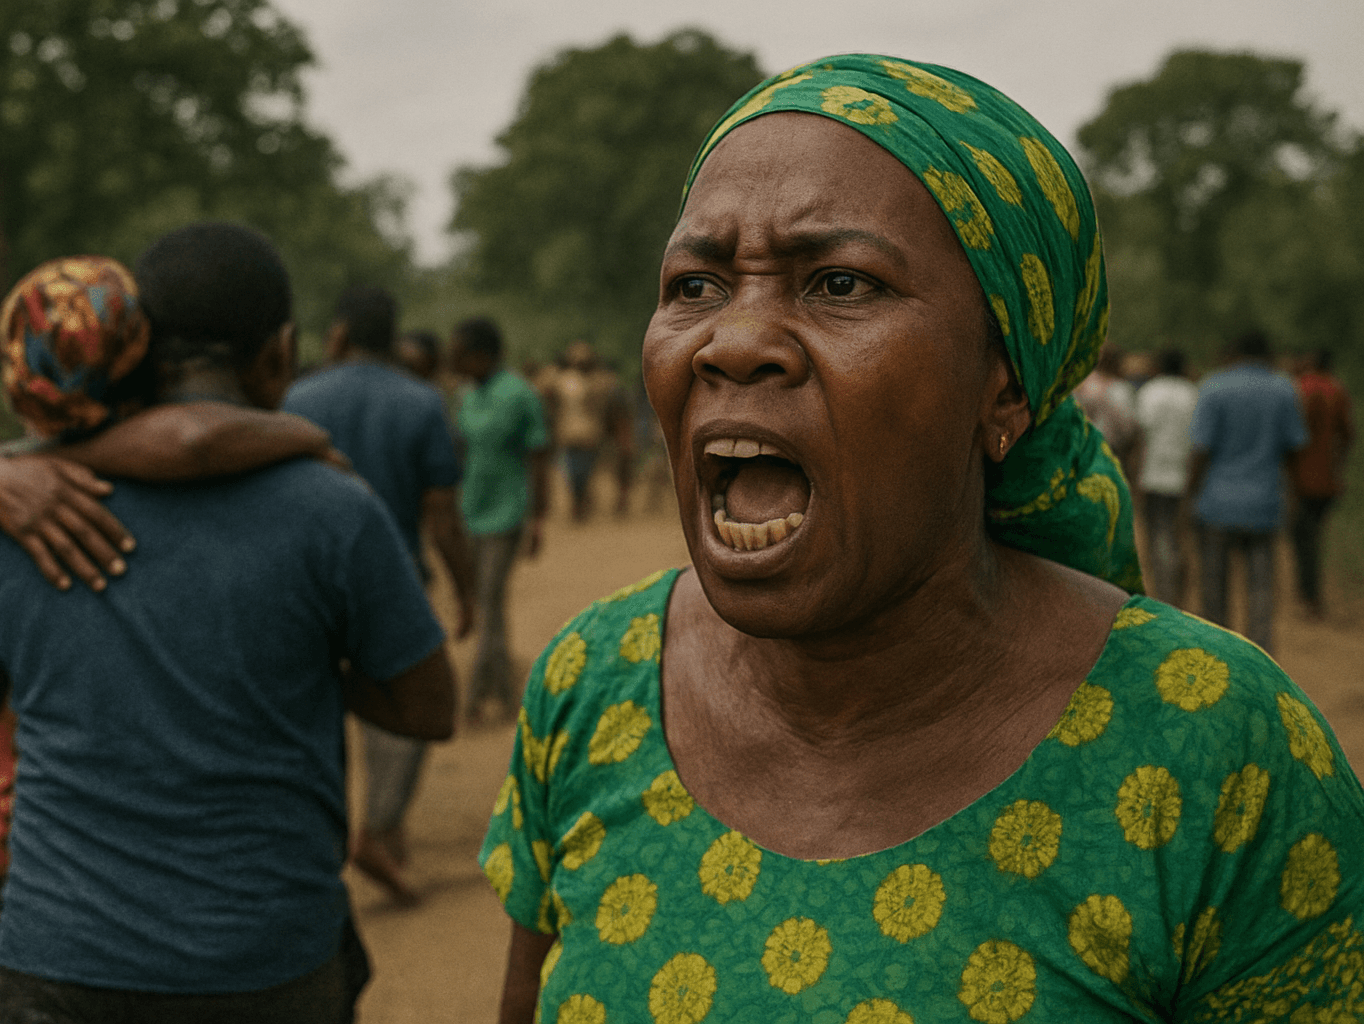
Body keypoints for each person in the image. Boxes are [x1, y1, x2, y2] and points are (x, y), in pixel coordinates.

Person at [481, 56, 1363, 1023]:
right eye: (695, 283)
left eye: (840, 282)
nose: (733, 341)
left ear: (1006, 384)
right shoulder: (589, 682)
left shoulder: (1218, 750)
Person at [0, 223, 455, 1022]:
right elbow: (428, 707)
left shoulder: (14, 506)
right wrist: (299, 668)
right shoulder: (334, 507)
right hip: (267, 963)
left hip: (56, 960)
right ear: (279, 352)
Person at [282, 285, 475, 902]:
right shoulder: (422, 403)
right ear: (394, 338)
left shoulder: (295, 399)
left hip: (304, 581)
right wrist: (466, 589)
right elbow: (442, 514)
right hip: (393, 576)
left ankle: (321, 836)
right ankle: (382, 825)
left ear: (337, 334)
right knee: (408, 701)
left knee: (311, 705)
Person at [450, 317, 550, 725]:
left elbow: (538, 459)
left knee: (489, 602)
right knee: (487, 604)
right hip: (470, 509)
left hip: (507, 514)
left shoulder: (520, 395)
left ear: (482, 355)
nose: (454, 363)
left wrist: (539, 520)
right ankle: (505, 694)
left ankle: (477, 697)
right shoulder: (465, 394)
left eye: (460, 355)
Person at [1189, 329, 1309, 652]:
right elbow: (1295, 451)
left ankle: (1217, 657)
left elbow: (1200, 449)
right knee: (1261, 591)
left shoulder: (1214, 386)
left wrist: (1190, 493)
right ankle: (1261, 662)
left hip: (1217, 503)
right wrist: (1294, 497)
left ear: (1235, 352)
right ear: (1267, 354)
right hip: (1264, 504)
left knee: (1214, 592)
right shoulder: (1284, 389)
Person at [1290, 349, 1353, 618]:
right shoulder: (1338, 390)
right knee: (1315, 535)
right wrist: (1338, 465)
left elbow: (1293, 437)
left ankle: (1309, 597)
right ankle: (1311, 596)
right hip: (1328, 478)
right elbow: (1348, 435)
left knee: (1302, 537)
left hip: (1302, 478)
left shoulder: (1303, 388)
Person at [1134, 349, 1199, 605]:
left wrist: (1135, 473)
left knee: (1158, 535)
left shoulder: (1150, 392)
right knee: (1178, 535)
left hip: (1154, 474)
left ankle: (1165, 594)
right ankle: (1178, 594)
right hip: (1184, 475)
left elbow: (1141, 437)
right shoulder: (1192, 394)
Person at [549, 341, 633, 521]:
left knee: (585, 473)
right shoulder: (563, 381)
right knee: (571, 473)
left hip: (590, 435)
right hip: (568, 435)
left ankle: (581, 504)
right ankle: (578, 503)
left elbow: (612, 407)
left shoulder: (601, 383)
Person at [1074, 341, 1140, 470]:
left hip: (1081, 448)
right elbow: (1127, 427)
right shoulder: (1121, 389)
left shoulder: (1084, 383)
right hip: (1110, 450)